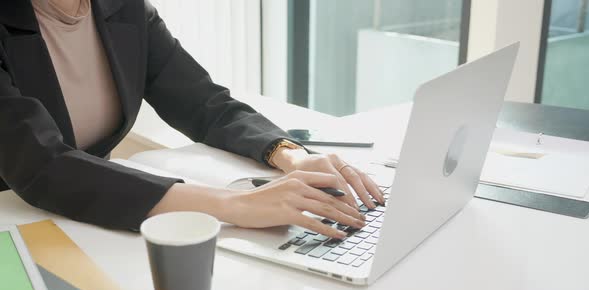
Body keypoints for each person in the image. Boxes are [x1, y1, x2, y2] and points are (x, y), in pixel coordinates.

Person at [0, 0, 384, 239]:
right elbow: (42, 166)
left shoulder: (124, 9)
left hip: (94, 206)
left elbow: (203, 102)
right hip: (13, 221)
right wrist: (236, 205)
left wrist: (291, 156)